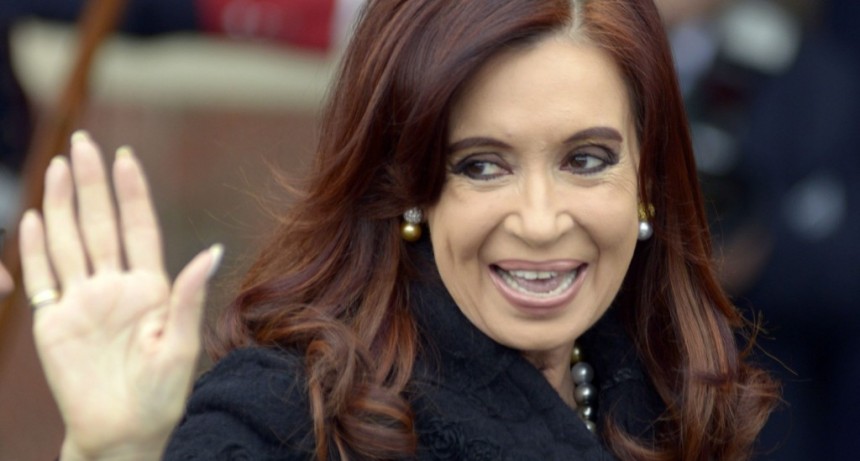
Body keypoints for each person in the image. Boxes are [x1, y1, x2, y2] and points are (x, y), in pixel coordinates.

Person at [19, 0, 779, 459]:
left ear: (647, 181)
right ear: (406, 187)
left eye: (586, 160)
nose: (542, 220)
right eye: (481, 165)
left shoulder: (675, 395)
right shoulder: (289, 418)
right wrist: (114, 449)